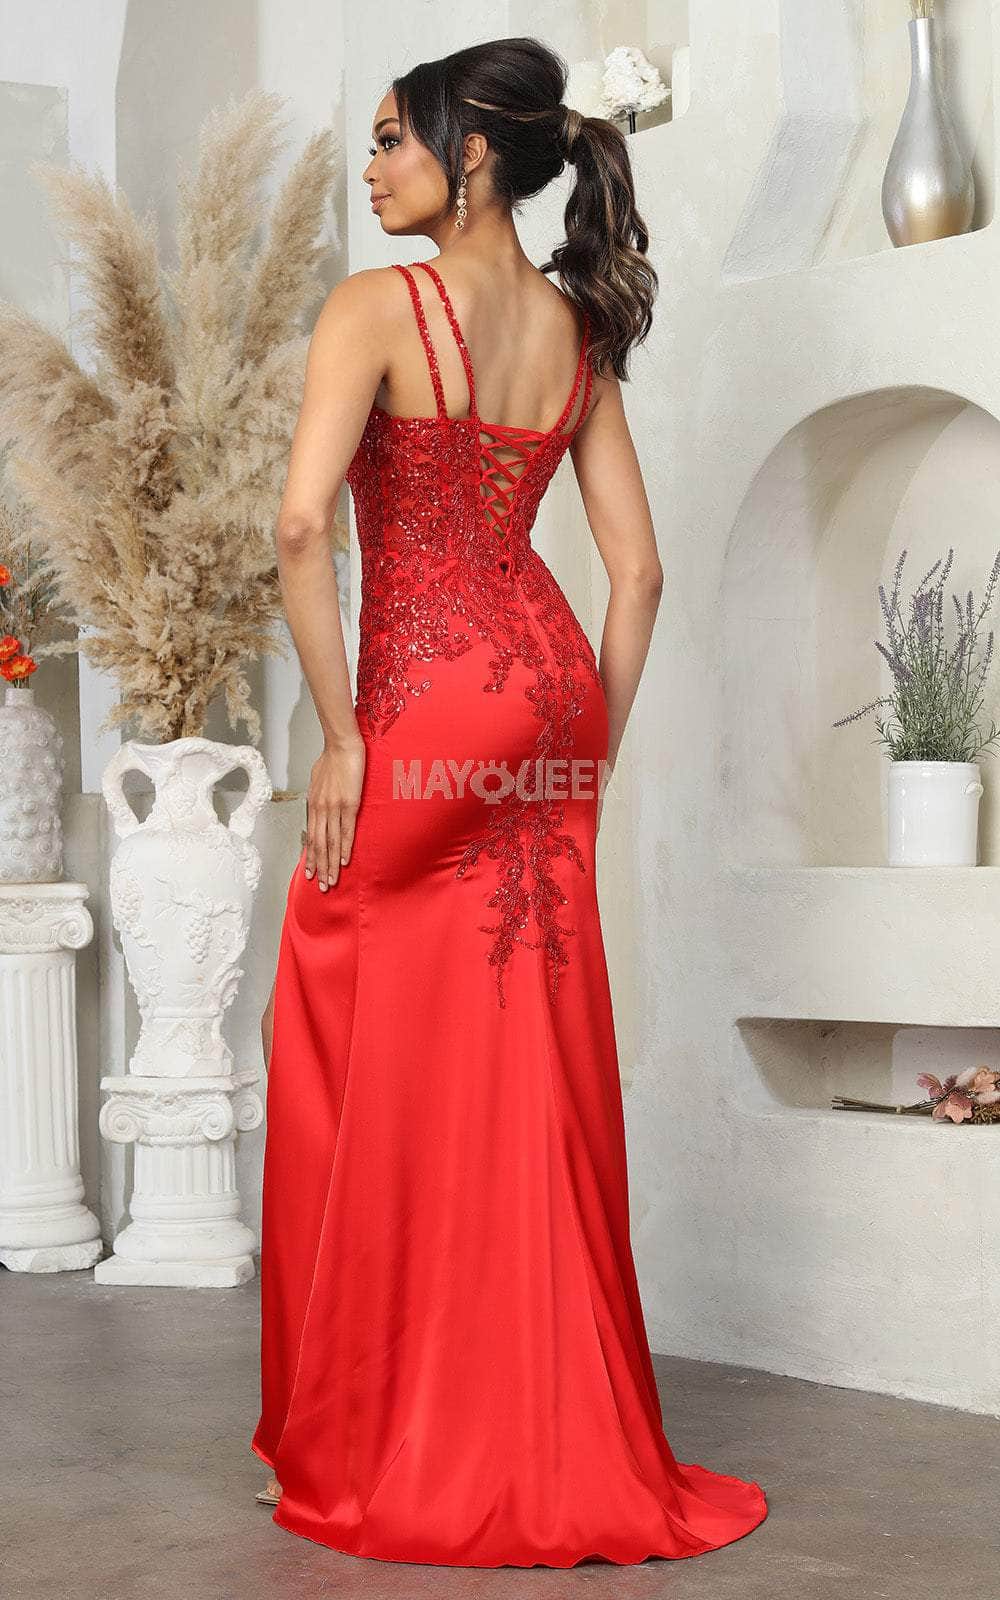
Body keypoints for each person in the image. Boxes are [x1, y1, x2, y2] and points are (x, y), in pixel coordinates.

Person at [251, 35, 768, 1568]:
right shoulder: (573, 327)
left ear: (470, 153)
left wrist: (343, 736)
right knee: (521, 1056)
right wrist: (585, 748)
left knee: (344, 1008)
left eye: (391, 140)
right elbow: (638, 572)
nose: (372, 170)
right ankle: (540, 1422)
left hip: (423, 704)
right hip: (547, 695)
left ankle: (365, 1431)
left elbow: (301, 530)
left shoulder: (377, 308)